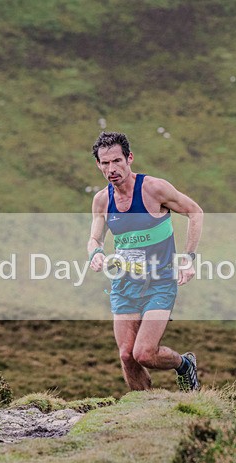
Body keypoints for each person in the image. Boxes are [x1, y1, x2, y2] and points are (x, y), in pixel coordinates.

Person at [87, 132, 204, 392]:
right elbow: (94, 238)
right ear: (98, 165)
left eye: (117, 161)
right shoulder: (102, 200)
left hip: (160, 282)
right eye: (105, 163)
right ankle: (144, 405)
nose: (111, 169)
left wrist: (188, 258)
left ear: (129, 158)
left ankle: (184, 365)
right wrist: (95, 254)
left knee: (144, 353)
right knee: (127, 355)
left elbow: (195, 212)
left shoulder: (154, 189)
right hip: (124, 285)